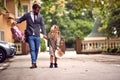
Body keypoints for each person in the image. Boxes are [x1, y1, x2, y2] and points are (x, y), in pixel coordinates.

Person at [14, 4, 47, 69]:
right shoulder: (27, 15)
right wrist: (16, 22)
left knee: (36, 49)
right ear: (33, 9)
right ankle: (33, 63)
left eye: (39, 10)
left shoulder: (40, 16)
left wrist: (44, 34)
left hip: (37, 35)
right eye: (37, 10)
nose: (38, 11)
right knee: (32, 49)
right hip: (30, 35)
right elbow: (21, 19)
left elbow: (42, 25)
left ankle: (34, 61)